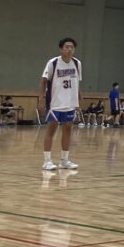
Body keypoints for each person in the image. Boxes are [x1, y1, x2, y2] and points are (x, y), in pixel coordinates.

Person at [39, 37, 81, 171]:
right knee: (51, 129)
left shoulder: (77, 63)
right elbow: (43, 81)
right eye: (67, 47)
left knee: (68, 129)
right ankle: (47, 161)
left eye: (72, 47)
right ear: (61, 49)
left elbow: (77, 83)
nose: (69, 49)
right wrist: (41, 99)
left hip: (70, 103)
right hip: (55, 102)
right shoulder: (53, 63)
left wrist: (79, 99)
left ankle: (64, 160)